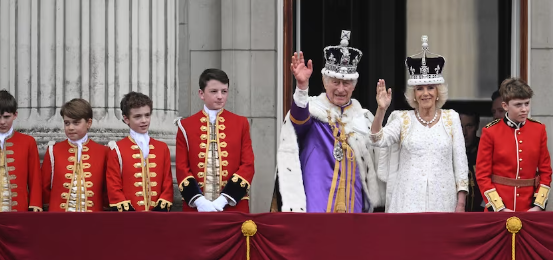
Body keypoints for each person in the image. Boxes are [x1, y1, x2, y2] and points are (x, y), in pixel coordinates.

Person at [274, 30, 383, 213]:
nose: (341, 89)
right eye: (335, 82)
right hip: (316, 200)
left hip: (354, 202)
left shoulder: (362, 118)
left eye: (346, 83)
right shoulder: (313, 111)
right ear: (325, 83)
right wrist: (302, 88)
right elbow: (298, 122)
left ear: (354, 86)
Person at [370, 35, 469, 213]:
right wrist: (381, 109)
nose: (425, 93)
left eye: (430, 87)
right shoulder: (402, 119)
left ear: (438, 92)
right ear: (413, 94)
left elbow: (461, 165)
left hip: (443, 200)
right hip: (407, 201)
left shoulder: (451, 118)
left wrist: (461, 203)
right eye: (419, 89)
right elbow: (377, 139)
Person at [176, 69, 254, 212]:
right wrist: (199, 201)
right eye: (214, 91)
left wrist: (224, 199)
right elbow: (181, 168)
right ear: (201, 94)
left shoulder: (241, 123)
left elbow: (248, 165)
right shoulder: (185, 126)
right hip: (196, 208)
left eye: (224, 91)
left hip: (233, 206)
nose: (220, 96)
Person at [476, 78, 551, 212]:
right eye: (518, 105)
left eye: (527, 104)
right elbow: (482, 175)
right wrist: (499, 208)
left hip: (530, 208)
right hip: (499, 207)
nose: (524, 109)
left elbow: (546, 172)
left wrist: (538, 206)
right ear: (505, 106)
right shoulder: (490, 132)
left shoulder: (538, 130)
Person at [107, 92, 173, 212]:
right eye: (137, 117)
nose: (144, 120)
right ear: (126, 119)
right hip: (129, 218)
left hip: (158, 216)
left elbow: (167, 183)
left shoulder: (162, 148)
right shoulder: (117, 149)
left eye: (147, 115)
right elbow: (114, 186)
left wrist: (160, 208)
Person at [0, 90, 42, 212]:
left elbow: (35, 177)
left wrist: (35, 203)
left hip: (18, 210)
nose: (2, 122)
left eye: (7, 117)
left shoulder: (28, 141)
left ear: (15, 115)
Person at [42, 99, 108, 212]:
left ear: (89, 123)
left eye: (76, 123)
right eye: (67, 123)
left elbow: (106, 190)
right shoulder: (54, 150)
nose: (70, 127)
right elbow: (44, 187)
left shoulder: (103, 152)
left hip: (93, 219)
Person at [459, 111, 484, 212]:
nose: (464, 133)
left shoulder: (485, 150)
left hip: (482, 214)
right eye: (460, 127)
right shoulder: (448, 152)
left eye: (469, 126)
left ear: (477, 126)